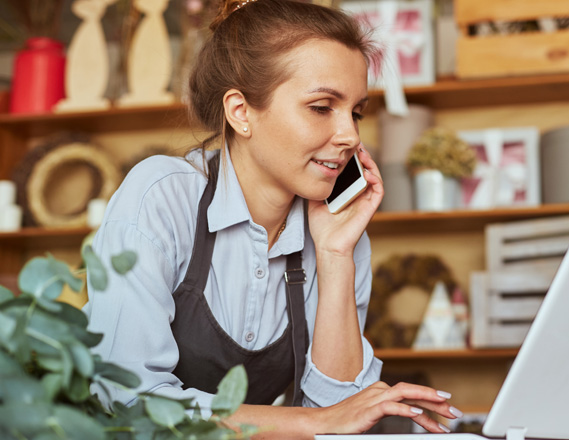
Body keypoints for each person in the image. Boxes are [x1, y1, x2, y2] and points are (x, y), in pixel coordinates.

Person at [84, 0, 461, 437]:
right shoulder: (161, 196)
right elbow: (127, 400)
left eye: (356, 112)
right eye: (322, 107)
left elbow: (341, 420)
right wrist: (314, 421)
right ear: (241, 112)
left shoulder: (338, 231)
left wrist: (336, 254)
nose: (351, 136)